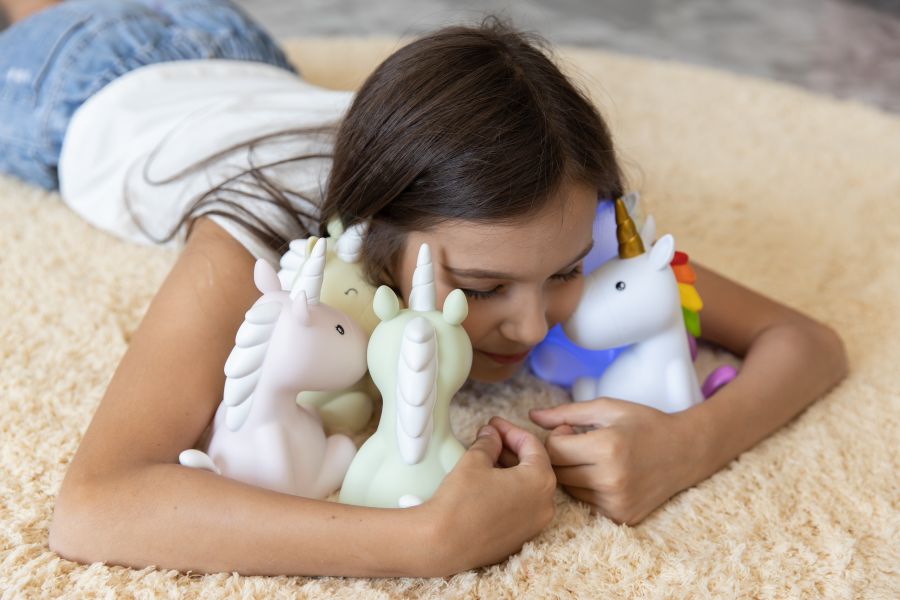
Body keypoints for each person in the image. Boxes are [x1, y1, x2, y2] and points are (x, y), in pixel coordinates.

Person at [0, 0, 848, 578]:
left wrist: (691, 444)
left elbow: (808, 341)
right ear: (373, 239)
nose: (529, 325)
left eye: (561, 274)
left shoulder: (550, 213)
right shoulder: (263, 231)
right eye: (483, 286)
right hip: (78, 77)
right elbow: (95, 507)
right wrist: (418, 540)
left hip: (236, 46)